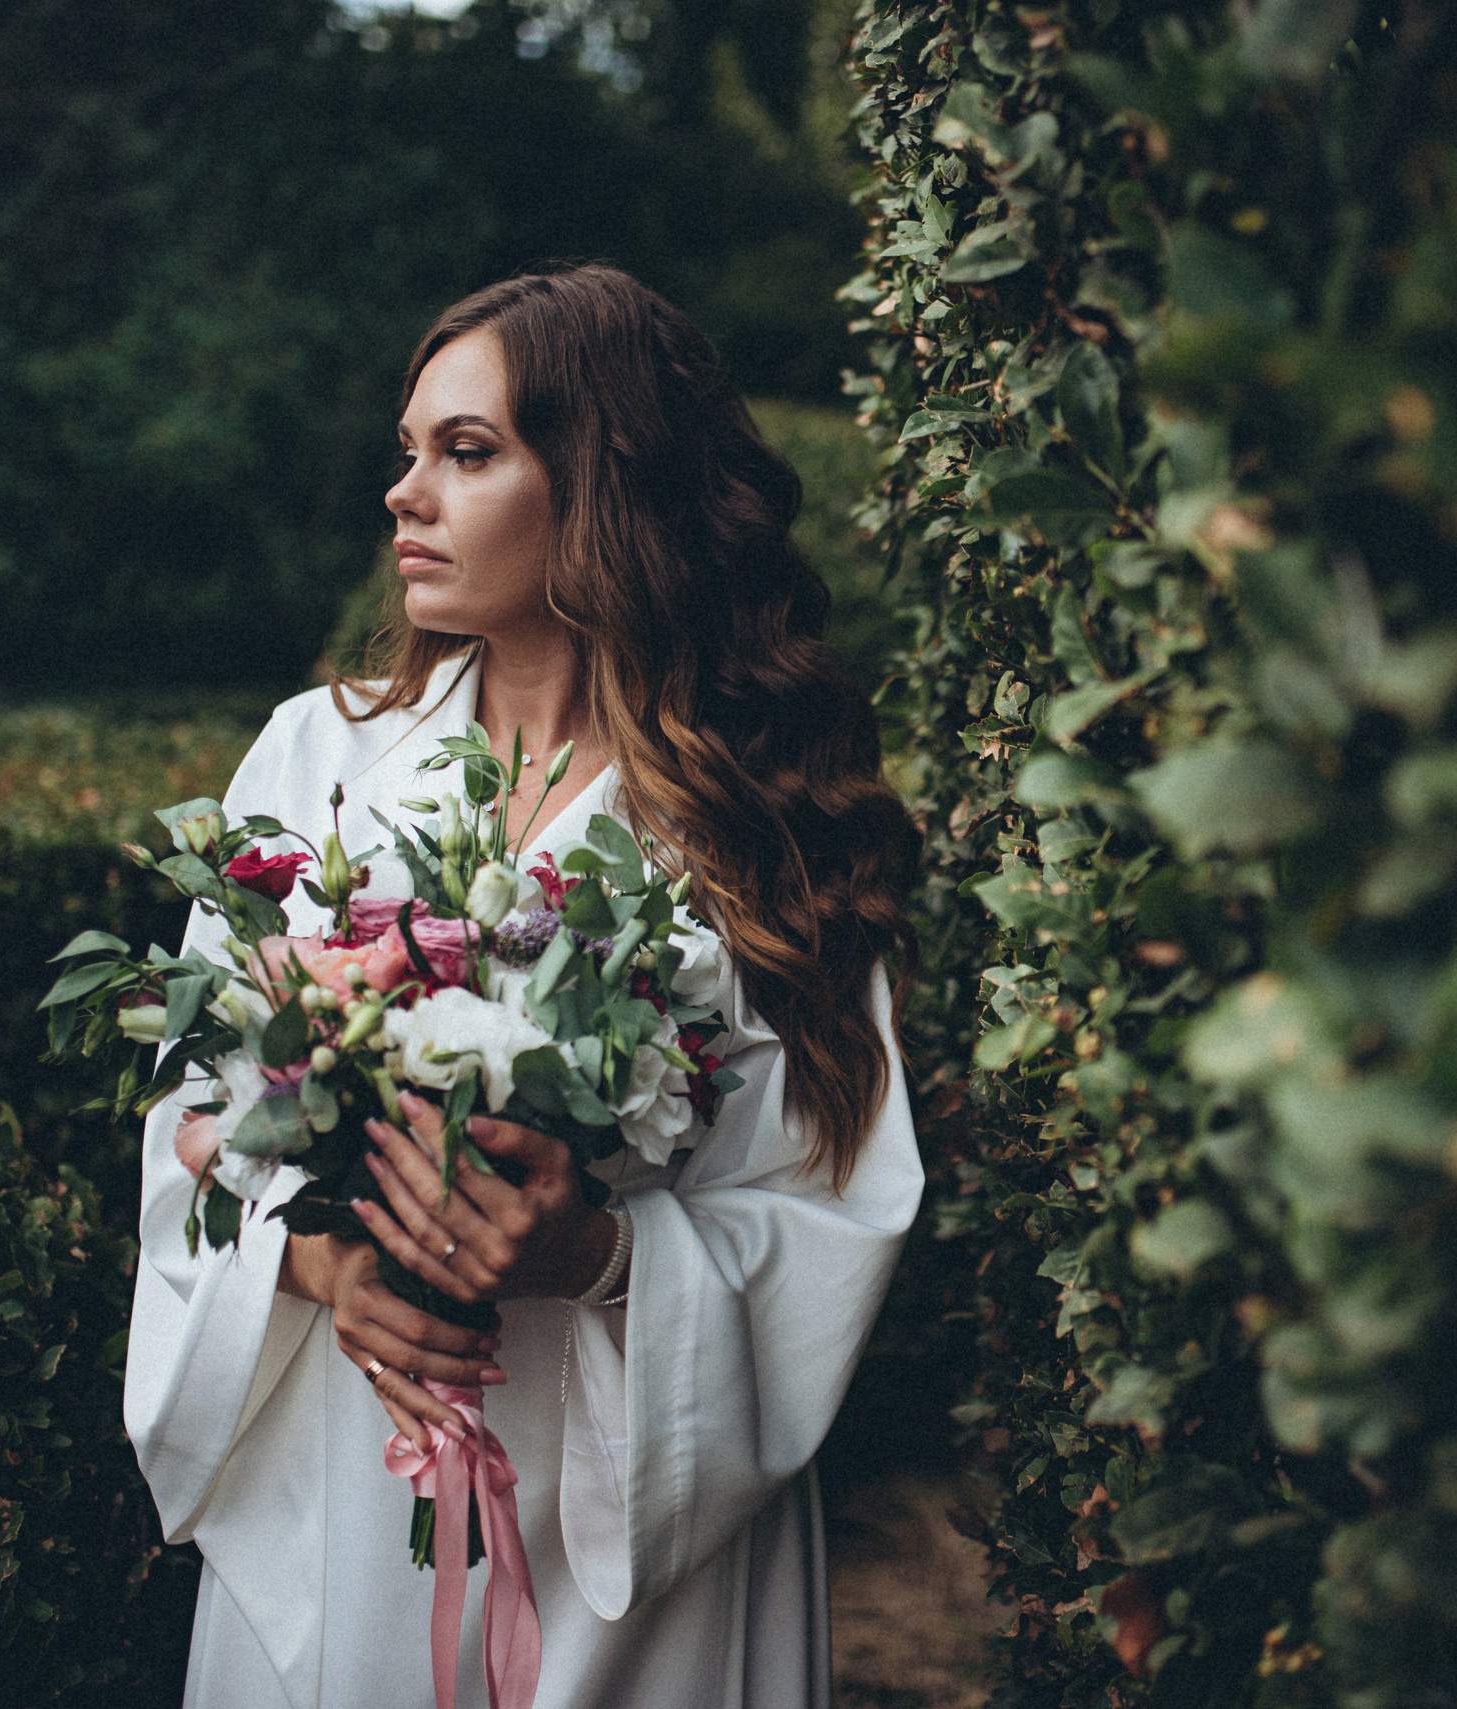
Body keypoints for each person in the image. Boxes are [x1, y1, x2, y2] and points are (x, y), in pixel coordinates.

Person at [122, 267, 924, 1708]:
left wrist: (599, 1255)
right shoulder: (315, 761)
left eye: (468, 451)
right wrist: (315, 1264)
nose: (405, 493)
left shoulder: (765, 823)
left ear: (607, 488)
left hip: (643, 1531)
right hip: (354, 1460)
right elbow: (191, 1110)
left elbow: (830, 1209)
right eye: (409, 451)